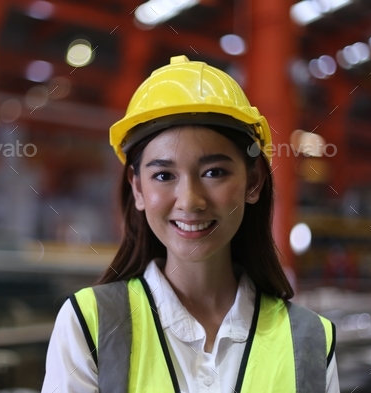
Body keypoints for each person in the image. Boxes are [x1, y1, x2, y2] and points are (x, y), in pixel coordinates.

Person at [40, 55, 339, 393]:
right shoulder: (89, 324)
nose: (190, 201)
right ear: (138, 188)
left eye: (214, 172)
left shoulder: (310, 341)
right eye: (164, 175)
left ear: (253, 182)